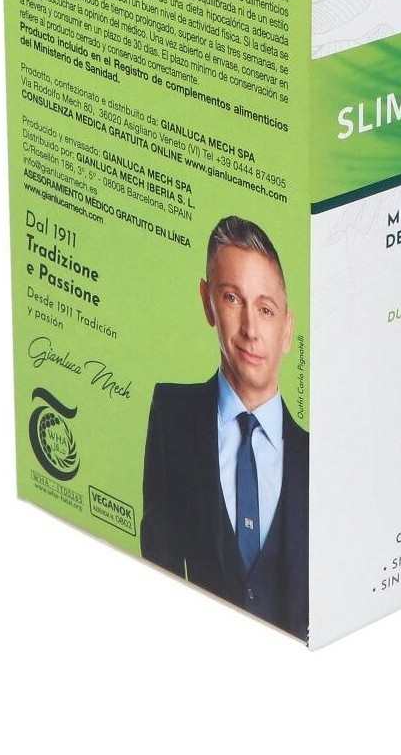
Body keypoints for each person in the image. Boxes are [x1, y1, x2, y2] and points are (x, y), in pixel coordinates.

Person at [140, 216, 308, 639]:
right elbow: (157, 569)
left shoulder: (318, 457)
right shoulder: (172, 418)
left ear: (287, 329)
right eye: (233, 299)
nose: (251, 330)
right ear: (207, 301)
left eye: (266, 310)